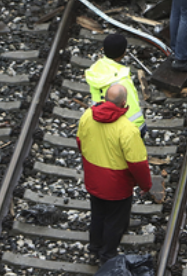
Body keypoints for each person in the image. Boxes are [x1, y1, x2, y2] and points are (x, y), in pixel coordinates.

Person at [76, 84, 152, 262]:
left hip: (93, 178)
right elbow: (137, 164)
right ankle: (107, 254)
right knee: (114, 221)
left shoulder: (88, 115)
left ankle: (95, 247)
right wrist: (145, 185)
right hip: (117, 186)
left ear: (105, 98)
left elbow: (80, 142)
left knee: (98, 214)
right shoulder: (127, 129)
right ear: (124, 102)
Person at [85, 33, 145, 135]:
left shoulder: (96, 70)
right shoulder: (122, 79)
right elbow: (132, 111)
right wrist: (140, 128)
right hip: (121, 130)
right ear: (124, 53)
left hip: (100, 122)